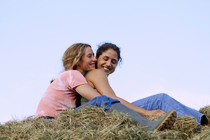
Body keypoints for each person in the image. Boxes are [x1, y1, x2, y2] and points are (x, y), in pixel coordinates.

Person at [35, 43, 176, 132]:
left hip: (51, 122)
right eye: (89, 56)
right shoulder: (73, 74)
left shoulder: (68, 76)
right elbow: (99, 99)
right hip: (51, 122)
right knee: (102, 101)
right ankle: (148, 126)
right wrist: (145, 112)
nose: (94, 60)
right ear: (78, 59)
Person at [89, 42, 208, 126]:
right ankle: (196, 124)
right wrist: (146, 112)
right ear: (97, 57)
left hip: (109, 112)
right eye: (105, 58)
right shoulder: (97, 73)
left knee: (159, 101)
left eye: (113, 61)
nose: (109, 64)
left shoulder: (96, 75)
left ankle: (200, 121)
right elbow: (112, 99)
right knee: (160, 100)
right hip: (108, 114)